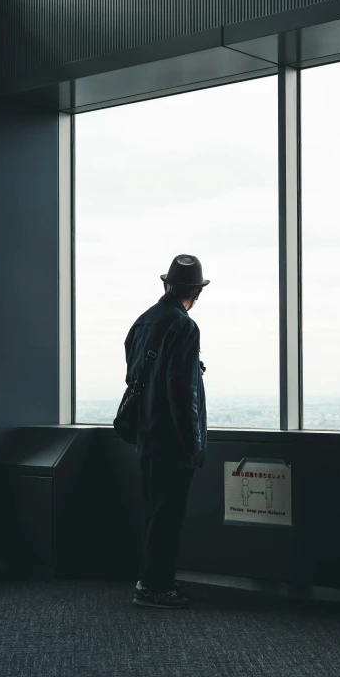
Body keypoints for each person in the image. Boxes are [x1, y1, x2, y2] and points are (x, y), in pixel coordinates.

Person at [123, 255, 209, 609]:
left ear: (166, 286)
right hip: (172, 439)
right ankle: (155, 587)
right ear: (196, 293)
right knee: (168, 515)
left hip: (147, 433)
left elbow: (136, 375)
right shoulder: (185, 327)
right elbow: (180, 390)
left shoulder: (143, 322)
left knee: (154, 511)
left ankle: (151, 579)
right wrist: (191, 443)